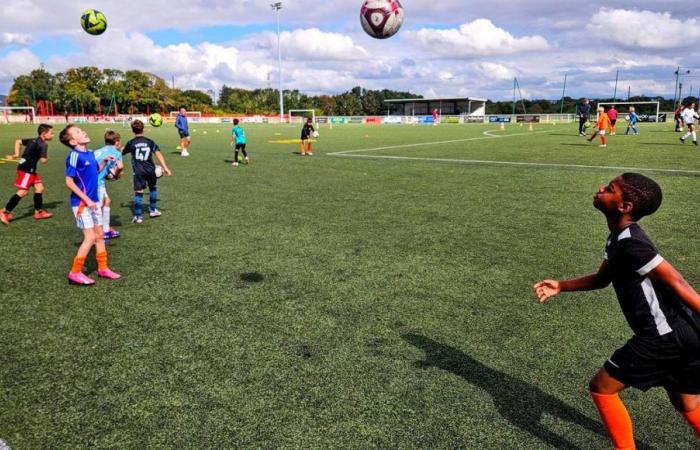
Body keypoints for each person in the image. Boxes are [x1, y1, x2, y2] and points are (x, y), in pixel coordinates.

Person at [534, 173, 700, 448]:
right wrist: (561, 286)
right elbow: (602, 279)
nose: (600, 188)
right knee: (686, 401)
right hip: (688, 334)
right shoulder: (619, 238)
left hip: (662, 336)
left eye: (609, 189)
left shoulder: (632, 244)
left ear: (625, 207)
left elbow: (677, 282)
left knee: (602, 388)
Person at [60, 124, 121, 285]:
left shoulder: (90, 153)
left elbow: (95, 172)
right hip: (81, 203)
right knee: (90, 237)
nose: (83, 132)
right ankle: (75, 272)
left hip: (93, 202)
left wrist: (104, 162)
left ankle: (103, 268)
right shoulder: (74, 155)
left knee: (100, 236)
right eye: (78, 132)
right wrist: (86, 200)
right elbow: (69, 181)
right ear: (73, 141)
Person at [0, 124, 55, 225]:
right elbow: (43, 160)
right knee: (23, 192)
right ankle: (5, 211)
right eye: (51, 133)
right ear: (44, 134)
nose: (53, 135)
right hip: (27, 170)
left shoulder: (32, 140)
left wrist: (16, 154)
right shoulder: (43, 145)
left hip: (29, 169)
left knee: (39, 188)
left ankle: (38, 212)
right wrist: (46, 158)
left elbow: (18, 141)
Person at [122, 120, 172, 224]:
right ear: (143, 129)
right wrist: (165, 167)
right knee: (153, 188)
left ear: (133, 130)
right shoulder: (149, 141)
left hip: (138, 171)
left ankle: (138, 216)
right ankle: (153, 210)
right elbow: (158, 154)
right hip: (150, 170)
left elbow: (122, 152)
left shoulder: (131, 143)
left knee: (139, 193)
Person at [93, 130, 124, 239]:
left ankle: (106, 229)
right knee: (97, 208)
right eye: (119, 141)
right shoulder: (117, 152)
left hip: (89, 179)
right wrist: (116, 175)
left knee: (107, 201)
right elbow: (120, 167)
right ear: (117, 142)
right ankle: (99, 233)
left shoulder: (98, 150)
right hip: (97, 182)